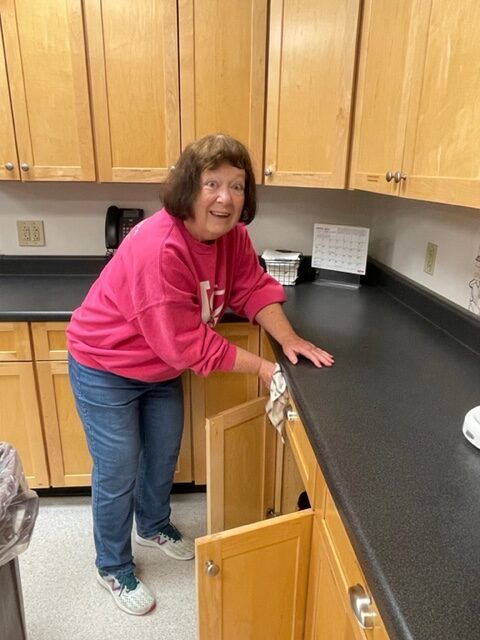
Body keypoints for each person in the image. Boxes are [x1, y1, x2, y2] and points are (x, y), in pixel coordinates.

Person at [67, 133, 334, 617]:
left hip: (159, 369)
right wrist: (262, 367)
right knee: (119, 468)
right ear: (190, 187)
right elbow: (185, 342)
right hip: (104, 364)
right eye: (213, 183)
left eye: (236, 185)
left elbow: (254, 287)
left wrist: (289, 339)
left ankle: (152, 523)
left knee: (164, 452)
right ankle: (111, 563)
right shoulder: (159, 245)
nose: (225, 197)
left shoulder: (233, 238)